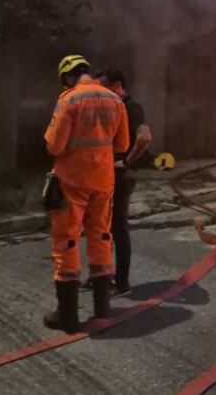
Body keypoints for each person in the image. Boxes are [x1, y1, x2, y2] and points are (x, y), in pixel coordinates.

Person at [43, 54, 129, 332]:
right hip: (103, 181)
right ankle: (102, 310)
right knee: (101, 237)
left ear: (67, 76)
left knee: (66, 241)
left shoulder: (69, 99)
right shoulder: (115, 100)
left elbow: (54, 147)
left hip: (71, 182)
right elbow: (122, 145)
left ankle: (68, 317)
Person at [86, 68, 151, 297]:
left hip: (121, 177)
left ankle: (121, 282)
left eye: (103, 88)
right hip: (105, 176)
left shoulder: (130, 108)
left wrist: (126, 162)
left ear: (117, 86)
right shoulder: (112, 107)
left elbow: (144, 137)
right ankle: (101, 276)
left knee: (118, 228)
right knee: (101, 228)